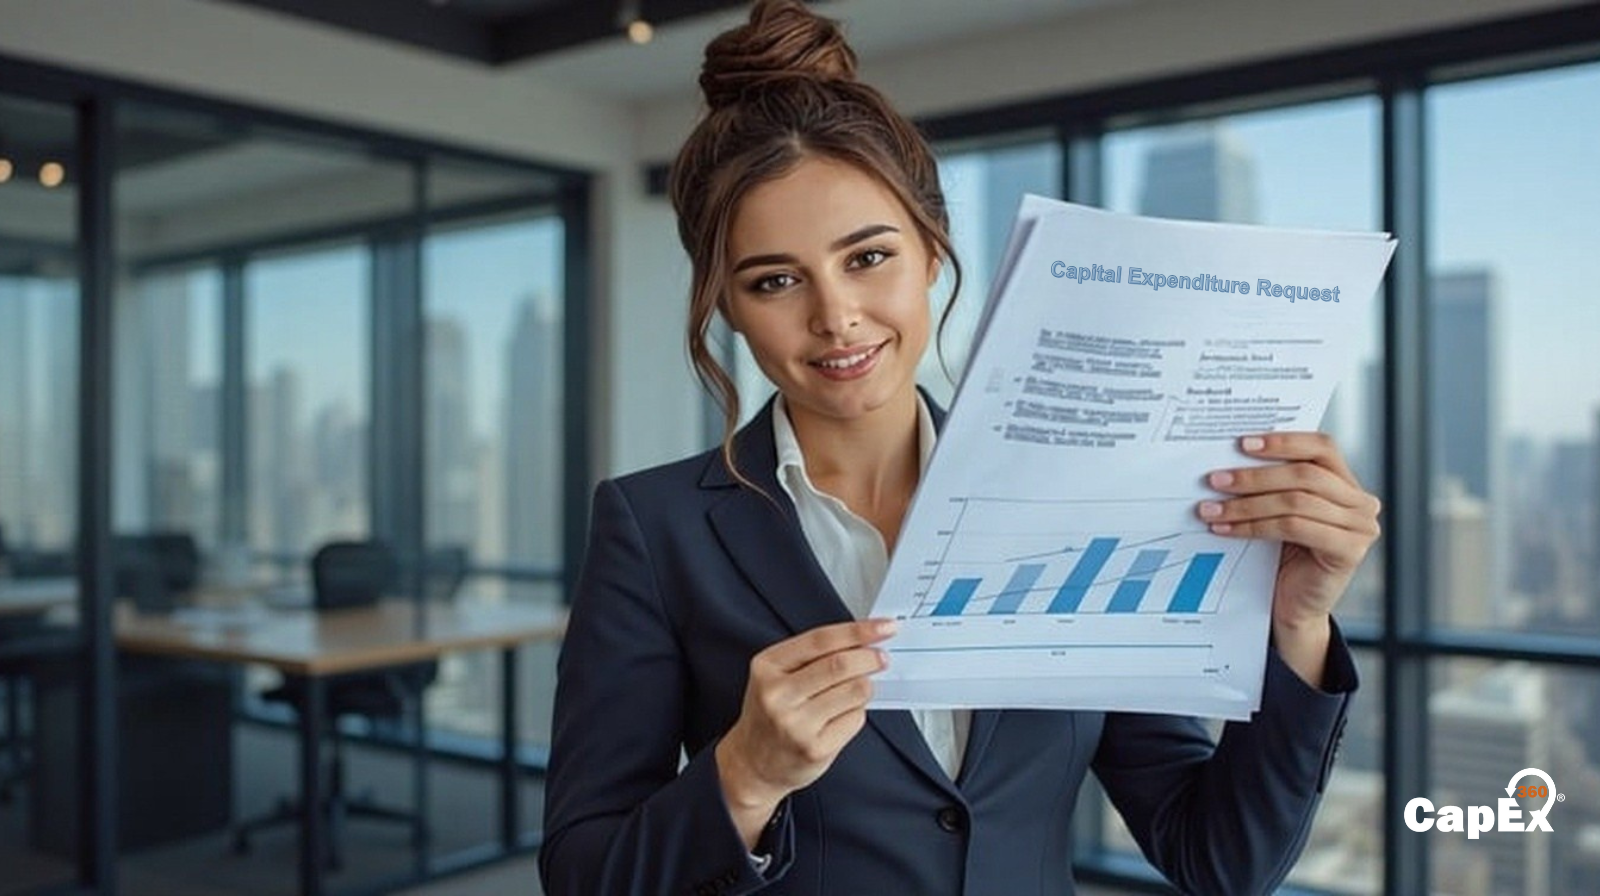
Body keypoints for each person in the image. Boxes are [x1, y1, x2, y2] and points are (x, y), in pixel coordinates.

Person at [539, 2, 1373, 893]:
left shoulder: (1074, 506)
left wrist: (1295, 626)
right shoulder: (655, 528)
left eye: (869, 258)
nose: (835, 316)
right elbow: (584, 873)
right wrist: (745, 775)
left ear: (933, 252)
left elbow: (1220, 857)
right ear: (727, 306)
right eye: (775, 280)